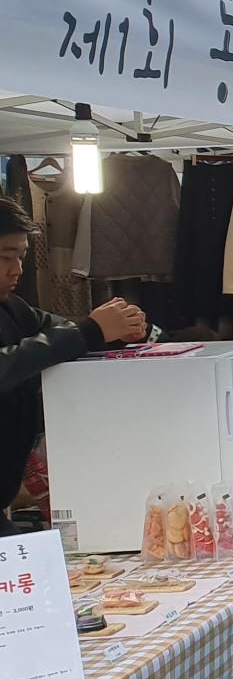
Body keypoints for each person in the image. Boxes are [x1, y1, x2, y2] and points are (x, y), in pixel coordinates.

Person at [0, 196, 146, 533]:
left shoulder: (13, 308)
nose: (17, 270)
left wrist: (115, 329)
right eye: (6, 257)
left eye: (21, 257)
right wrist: (93, 329)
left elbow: (61, 330)